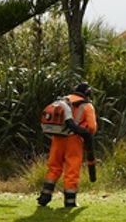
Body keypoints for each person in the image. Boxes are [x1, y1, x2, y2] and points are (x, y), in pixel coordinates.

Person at [35, 76, 97, 208]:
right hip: (74, 140)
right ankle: (70, 201)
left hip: (57, 138)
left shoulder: (63, 100)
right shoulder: (86, 105)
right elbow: (91, 128)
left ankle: (45, 196)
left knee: (54, 167)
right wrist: (85, 134)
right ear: (88, 93)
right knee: (72, 170)